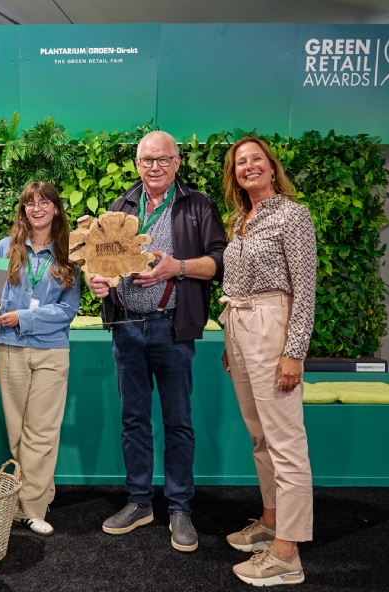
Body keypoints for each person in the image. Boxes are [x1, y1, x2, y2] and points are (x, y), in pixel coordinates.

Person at [88, 130, 227, 552]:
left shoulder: (196, 205)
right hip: (127, 327)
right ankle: (139, 502)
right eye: (147, 160)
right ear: (136, 164)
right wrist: (99, 281)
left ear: (177, 163)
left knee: (178, 421)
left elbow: (220, 262)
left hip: (172, 327)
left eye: (163, 159)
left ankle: (180, 507)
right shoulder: (120, 206)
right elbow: (103, 261)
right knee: (133, 420)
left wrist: (177, 268)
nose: (154, 167)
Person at [218, 137, 316, 586]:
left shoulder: (292, 216)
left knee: (286, 442)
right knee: (260, 436)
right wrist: (229, 342)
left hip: (272, 324)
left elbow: (305, 290)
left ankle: (287, 554)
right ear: (234, 174)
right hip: (240, 327)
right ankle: (272, 521)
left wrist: (294, 350)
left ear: (273, 168)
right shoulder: (240, 219)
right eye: (241, 162)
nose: (249, 166)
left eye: (257, 158)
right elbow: (236, 283)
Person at [0, 182, 81, 536]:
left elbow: (67, 310)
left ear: (57, 209)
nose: (38, 208)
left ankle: (29, 507)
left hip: (51, 349)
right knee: (18, 432)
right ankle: (40, 492)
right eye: (30, 203)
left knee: (41, 433)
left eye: (45, 202)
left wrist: (23, 318)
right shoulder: (5, 247)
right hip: (9, 347)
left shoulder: (71, 251)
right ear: (23, 210)